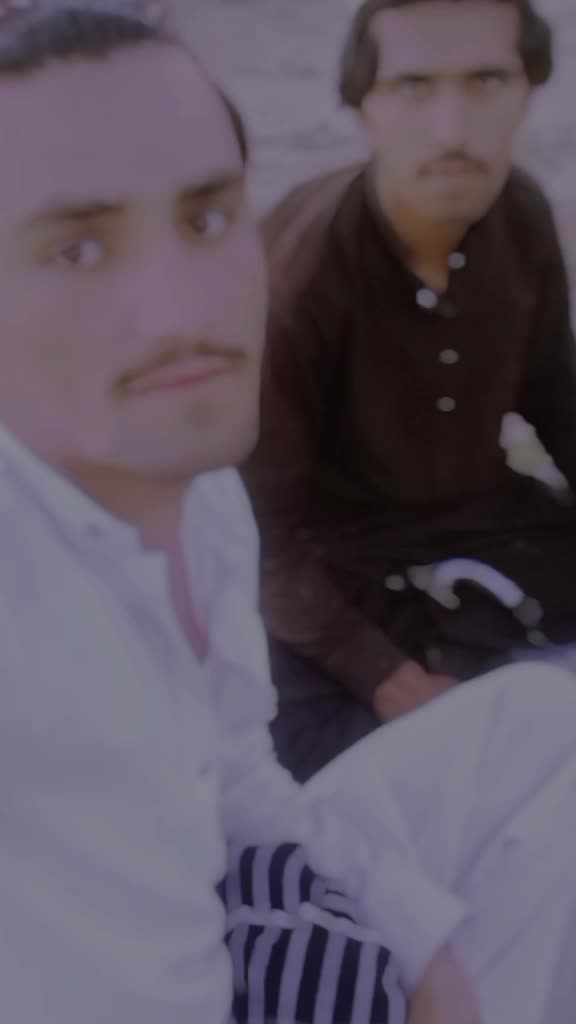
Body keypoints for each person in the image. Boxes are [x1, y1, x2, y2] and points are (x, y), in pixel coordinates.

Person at [0, 2, 575, 1023]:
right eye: (79, 249)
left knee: (541, 716)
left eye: (205, 219)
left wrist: (421, 948)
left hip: (250, 860)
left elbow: (235, 774)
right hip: (340, 624)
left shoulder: (203, 497)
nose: (180, 307)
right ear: (364, 108)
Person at [242, 0, 576, 778]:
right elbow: (258, 527)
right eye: (414, 87)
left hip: (488, 526)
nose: (453, 129)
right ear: (365, 108)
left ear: (528, 90)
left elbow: (555, 399)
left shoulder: (520, 213)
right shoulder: (301, 274)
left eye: (487, 81)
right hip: (340, 569)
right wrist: (390, 681)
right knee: (353, 775)